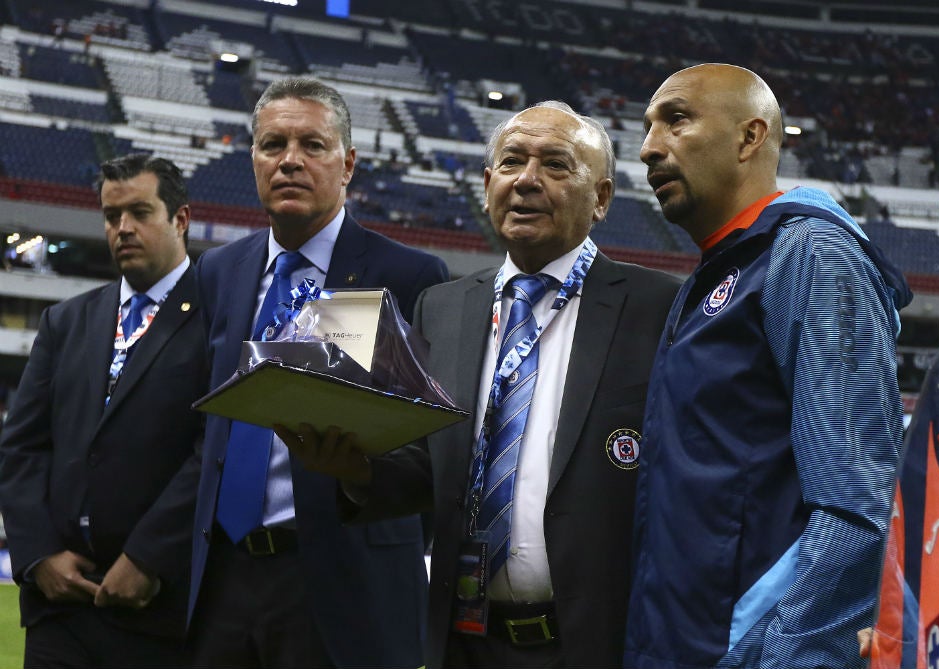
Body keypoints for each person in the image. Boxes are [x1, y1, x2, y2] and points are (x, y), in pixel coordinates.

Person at [279, 101, 680, 668]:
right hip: (464, 639)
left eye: (556, 165)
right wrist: (357, 470)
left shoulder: (657, 306)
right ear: (489, 182)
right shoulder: (442, 307)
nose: (527, 181)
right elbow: (430, 465)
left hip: (596, 642)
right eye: (512, 162)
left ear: (602, 200)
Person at [625, 63, 912, 669]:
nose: (648, 149)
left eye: (676, 120)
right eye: (647, 128)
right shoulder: (719, 272)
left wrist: (786, 655)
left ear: (750, 137)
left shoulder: (810, 255)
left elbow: (857, 502)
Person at [188, 76, 449, 669]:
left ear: (348, 162)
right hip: (223, 574)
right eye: (272, 144)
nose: (290, 161)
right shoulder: (219, 271)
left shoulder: (408, 274)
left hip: (347, 575)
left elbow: (433, 441)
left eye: (312, 145)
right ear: (252, 158)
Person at [0, 154, 207, 668]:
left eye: (140, 212)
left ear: (180, 219)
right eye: (112, 216)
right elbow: (22, 446)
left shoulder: (218, 317)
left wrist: (148, 558)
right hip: (60, 610)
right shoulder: (65, 322)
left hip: (159, 608)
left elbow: (214, 451)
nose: (123, 228)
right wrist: (38, 555)